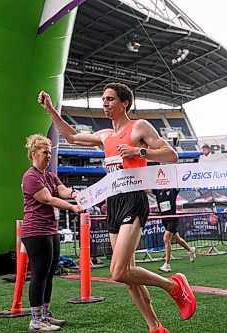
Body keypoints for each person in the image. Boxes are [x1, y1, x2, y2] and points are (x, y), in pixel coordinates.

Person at [38, 83, 196, 333]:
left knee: (119, 271)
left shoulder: (139, 126)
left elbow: (171, 155)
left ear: (124, 104)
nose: (105, 103)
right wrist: (51, 110)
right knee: (129, 277)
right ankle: (155, 328)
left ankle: (174, 287)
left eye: (110, 99)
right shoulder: (104, 136)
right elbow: (71, 137)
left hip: (134, 198)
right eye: (103, 99)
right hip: (114, 202)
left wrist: (138, 150)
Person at [21, 134, 83, 333]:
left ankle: (45, 315)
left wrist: (74, 194)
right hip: (35, 231)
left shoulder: (49, 175)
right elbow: (48, 199)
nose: (49, 155)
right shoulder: (30, 176)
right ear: (33, 154)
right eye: (44, 152)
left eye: (50, 151)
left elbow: (61, 189)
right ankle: (36, 320)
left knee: (48, 275)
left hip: (50, 229)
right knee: (39, 275)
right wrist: (72, 207)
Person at [152, 188, 196, 272]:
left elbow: (178, 185)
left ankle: (167, 265)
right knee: (177, 239)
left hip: (173, 219)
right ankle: (191, 249)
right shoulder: (158, 191)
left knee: (166, 239)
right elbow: (146, 189)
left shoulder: (172, 190)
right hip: (164, 219)